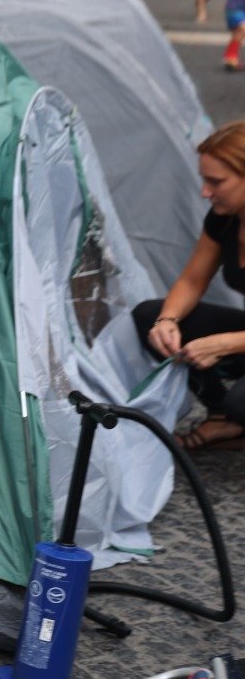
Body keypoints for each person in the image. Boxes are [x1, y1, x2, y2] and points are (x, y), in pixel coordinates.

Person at [133, 121, 245, 450]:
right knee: (149, 314)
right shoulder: (224, 219)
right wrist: (167, 321)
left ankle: (234, 415)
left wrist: (225, 343)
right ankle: (221, 418)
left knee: (243, 405)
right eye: (203, 180)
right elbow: (192, 280)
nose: (205, 192)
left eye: (216, 182)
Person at [225, 0, 245, 69]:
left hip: (233, 10)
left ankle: (231, 58)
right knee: (241, 31)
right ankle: (230, 57)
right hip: (236, 11)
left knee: (238, 34)